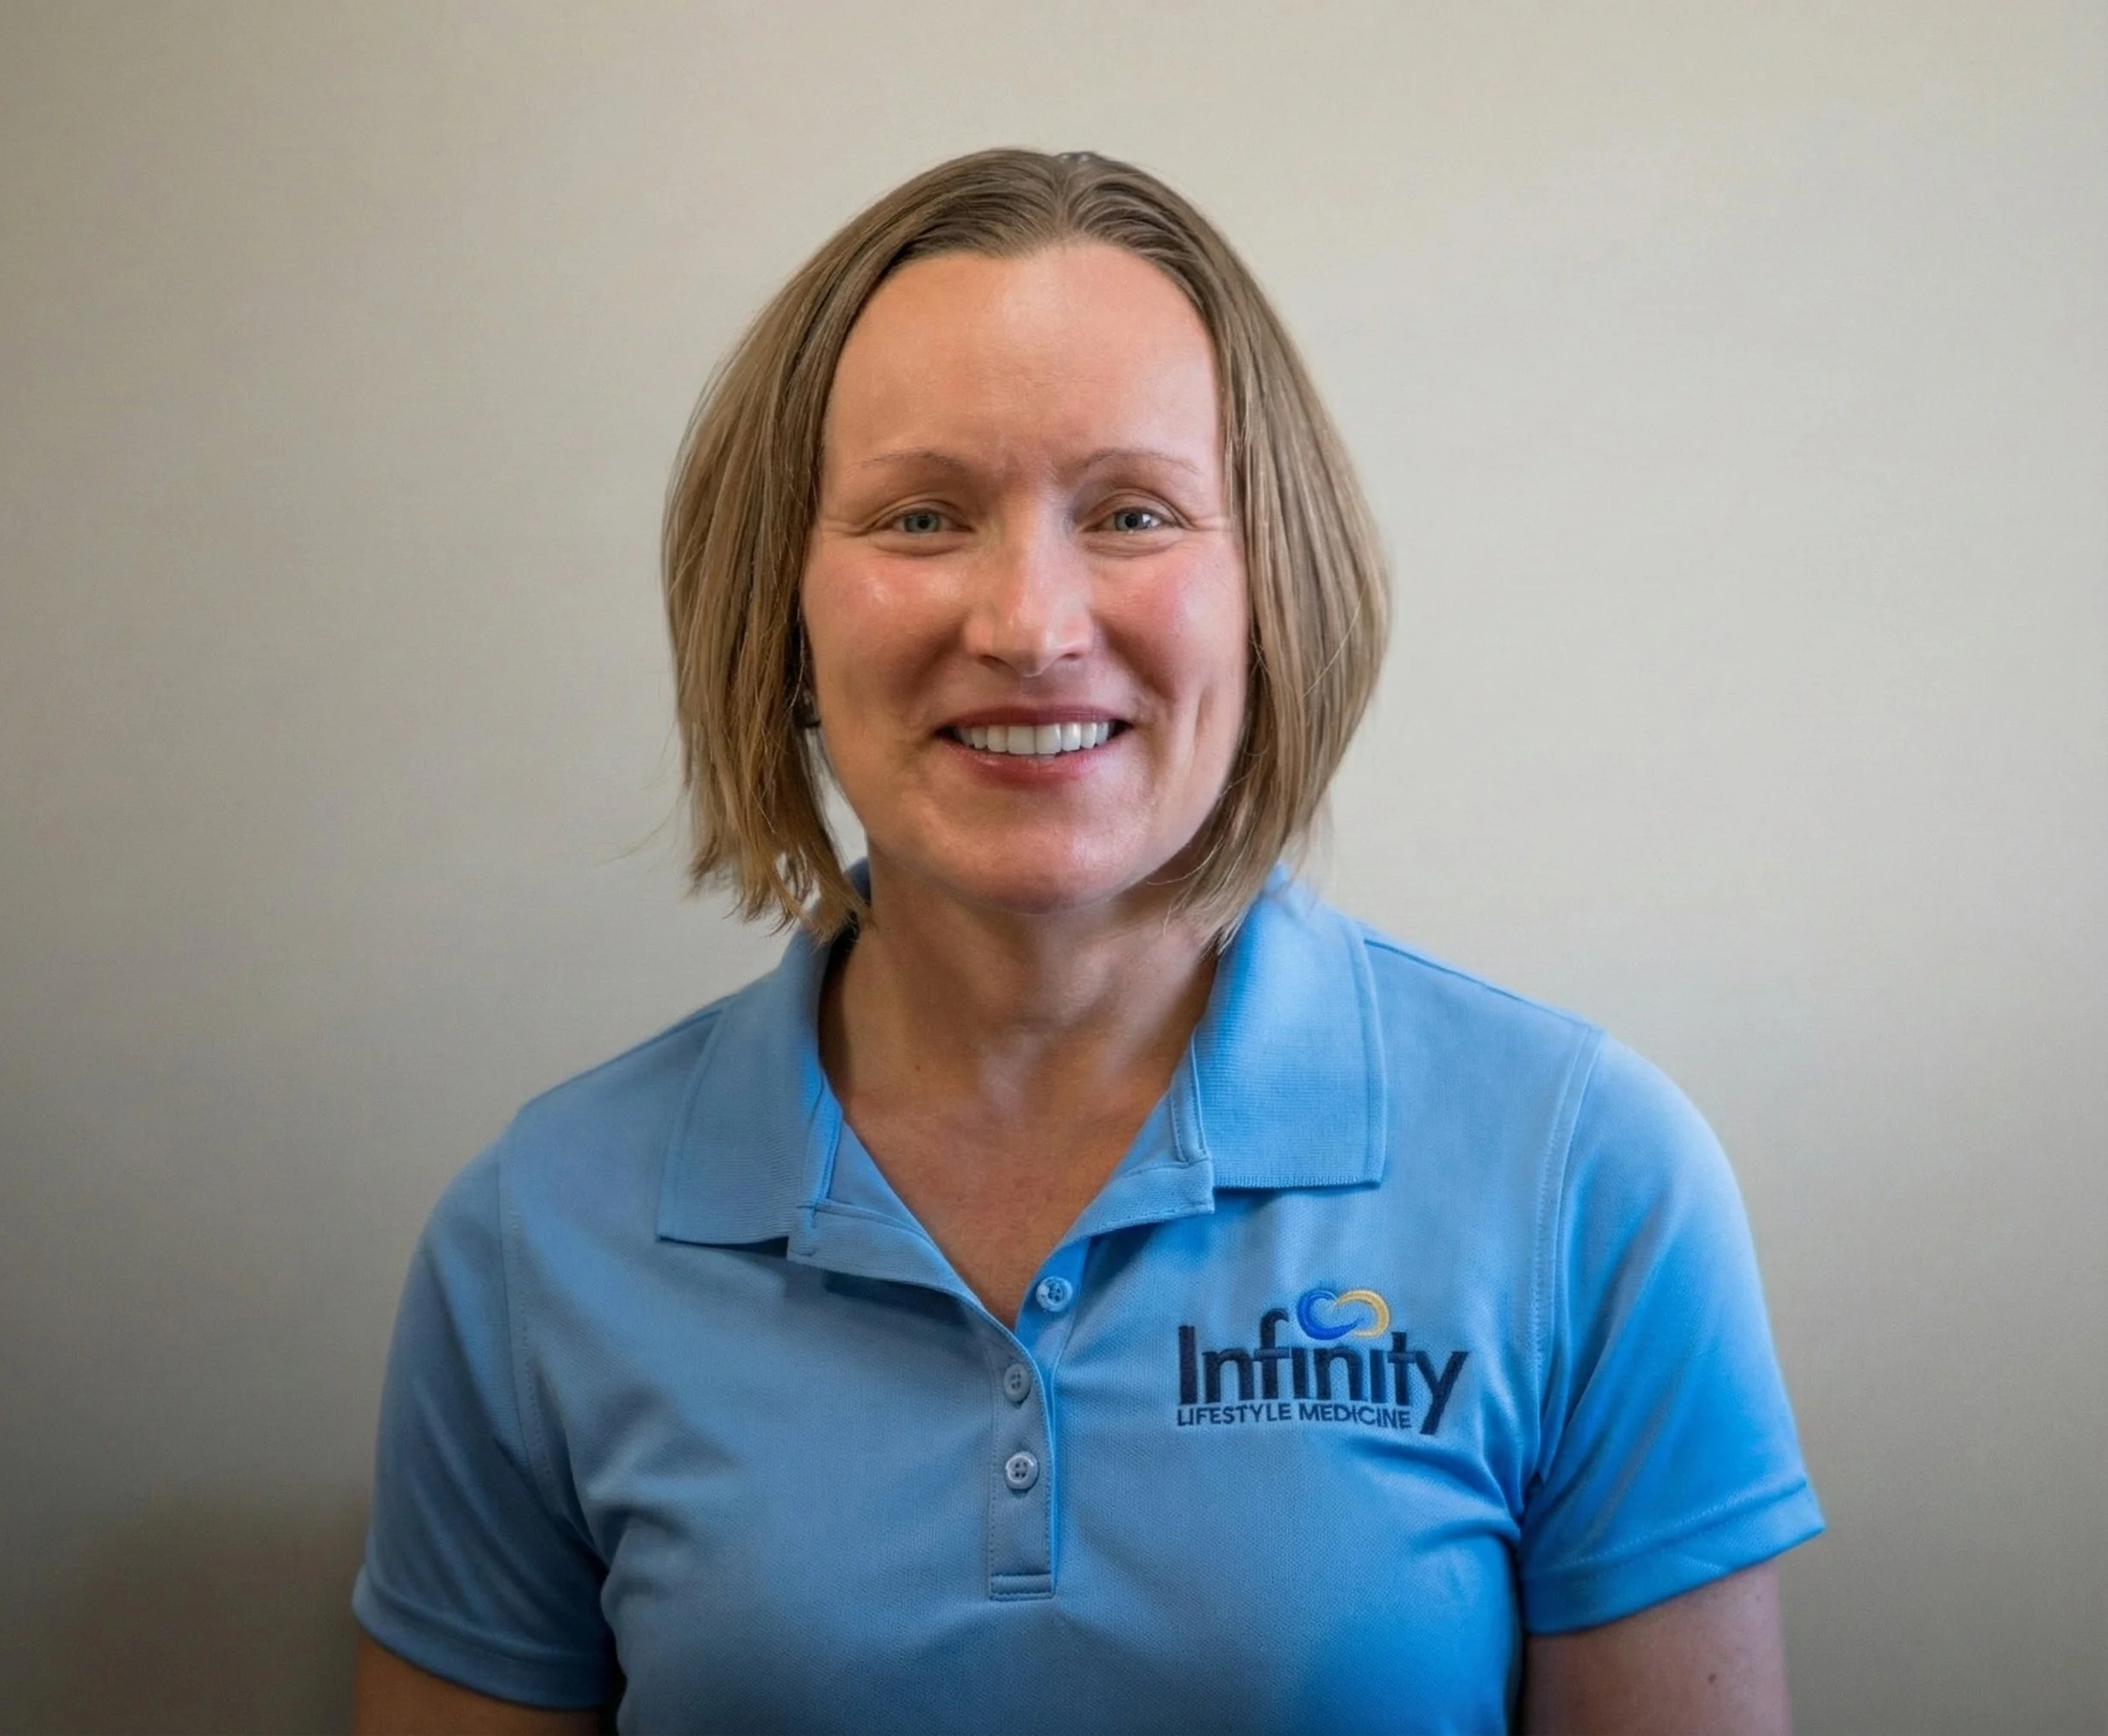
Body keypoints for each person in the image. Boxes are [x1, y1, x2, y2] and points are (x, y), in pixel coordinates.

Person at [349, 148, 1823, 1735]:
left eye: (1131, 510)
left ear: (1274, 588)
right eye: (922, 516)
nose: (1030, 623)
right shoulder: (539, 1235)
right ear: (780, 606)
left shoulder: (1582, 1178)